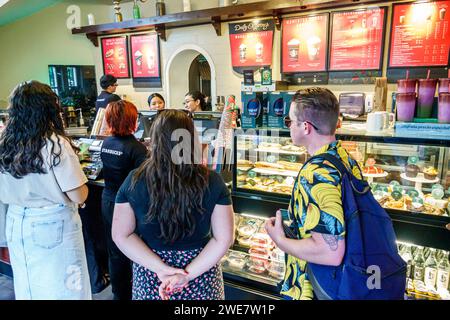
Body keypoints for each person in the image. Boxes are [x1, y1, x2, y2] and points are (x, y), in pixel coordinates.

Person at [112, 109, 234, 300]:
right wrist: (187, 274)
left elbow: (121, 235)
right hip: (201, 273)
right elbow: (224, 239)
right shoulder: (213, 181)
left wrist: (161, 269)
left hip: (151, 274)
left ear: (155, 140)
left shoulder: (134, 180)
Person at [265, 87, 363, 300]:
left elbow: (330, 252)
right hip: (348, 281)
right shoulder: (344, 157)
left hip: (316, 287)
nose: (289, 126)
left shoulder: (316, 173)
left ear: (306, 127)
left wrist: (280, 240)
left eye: (290, 121)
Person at [0, 81, 91, 299]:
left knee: (30, 286)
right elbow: (78, 194)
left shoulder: (5, 142)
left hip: (15, 221)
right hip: (52, 224)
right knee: (67, 287)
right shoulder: (54, 144)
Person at [100, 100, 148, 300]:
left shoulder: (106, 143)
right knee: (134, 251)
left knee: (115, 251)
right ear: (132, 120)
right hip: (129, 206)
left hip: (108, 200)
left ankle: (118, 294)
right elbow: (143, 183)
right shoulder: (137, 149)